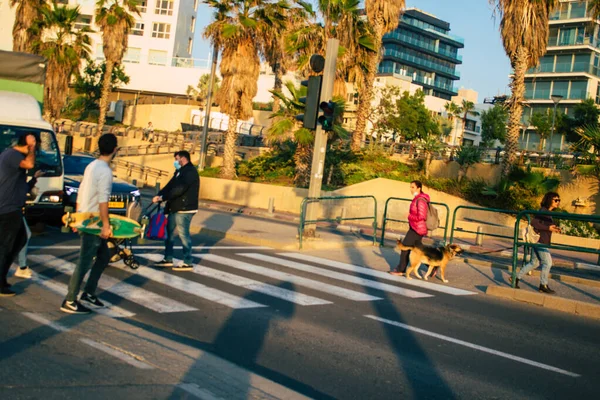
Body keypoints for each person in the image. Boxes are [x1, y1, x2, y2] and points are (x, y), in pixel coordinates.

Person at [60, 134, 118, 314]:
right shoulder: (105, 171)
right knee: (85, 261)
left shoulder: (91, 166)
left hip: (85, 217)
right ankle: (70, 300)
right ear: (115, 150)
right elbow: (103, 201)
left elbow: (81, 191)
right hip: (93, 222)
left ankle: (89, 293)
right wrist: (106, 226)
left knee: (104, 256)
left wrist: (77, 215)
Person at [0, 132, 36, 296]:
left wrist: (34, 180)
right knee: (7, 246)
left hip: (12, 208)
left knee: (19, 239)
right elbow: (29, 164)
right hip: (8, 209)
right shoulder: (13, 155)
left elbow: (19, 188)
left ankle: (3, 278)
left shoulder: (11, 156)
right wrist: (32, 147)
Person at [152, 150, 200, 272]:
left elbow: (180, 189)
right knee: (168, 233)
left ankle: (188, 261)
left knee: (183, 234)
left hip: (185, 208)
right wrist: (159, 195)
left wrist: (163, 197)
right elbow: (170, 186)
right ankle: (168, 258)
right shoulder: (180, 171)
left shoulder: (190, 172)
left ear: (183, 159)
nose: (175, 161)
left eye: (176, 159)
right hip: (175, 207)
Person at [513, 192, 562, 294]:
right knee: (547, 263)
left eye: (559, 200)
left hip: (540, 240)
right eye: (556, 200)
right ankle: (543, 285)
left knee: (534, 263)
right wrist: (548, 227)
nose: (558, 202)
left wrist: (554, 228)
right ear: (549, 200)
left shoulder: (549, 213)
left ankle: (516, 278)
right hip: (540, 241)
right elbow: (534, 223)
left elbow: (544, 226)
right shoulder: (543, 211)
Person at [390, 180, 430, 276]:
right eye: (410, 187)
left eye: (413, 187)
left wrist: (409, 216)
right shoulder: (417, 198)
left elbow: (422, 216)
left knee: (405, 247)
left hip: (417, 229)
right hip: (415, 227)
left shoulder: (420, 200)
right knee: (418, 250)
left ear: (419, 188)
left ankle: (401, 269)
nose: (410, 189)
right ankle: (433, 266)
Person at [13, 169, 45, 280]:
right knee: (24, 235)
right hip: (10, 210)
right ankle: (21, 267)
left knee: (24, 235)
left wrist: (34, 179)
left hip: (13, 210)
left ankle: (22, 267)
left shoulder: (15, 172)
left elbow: (22, 189)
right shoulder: (14, 172)